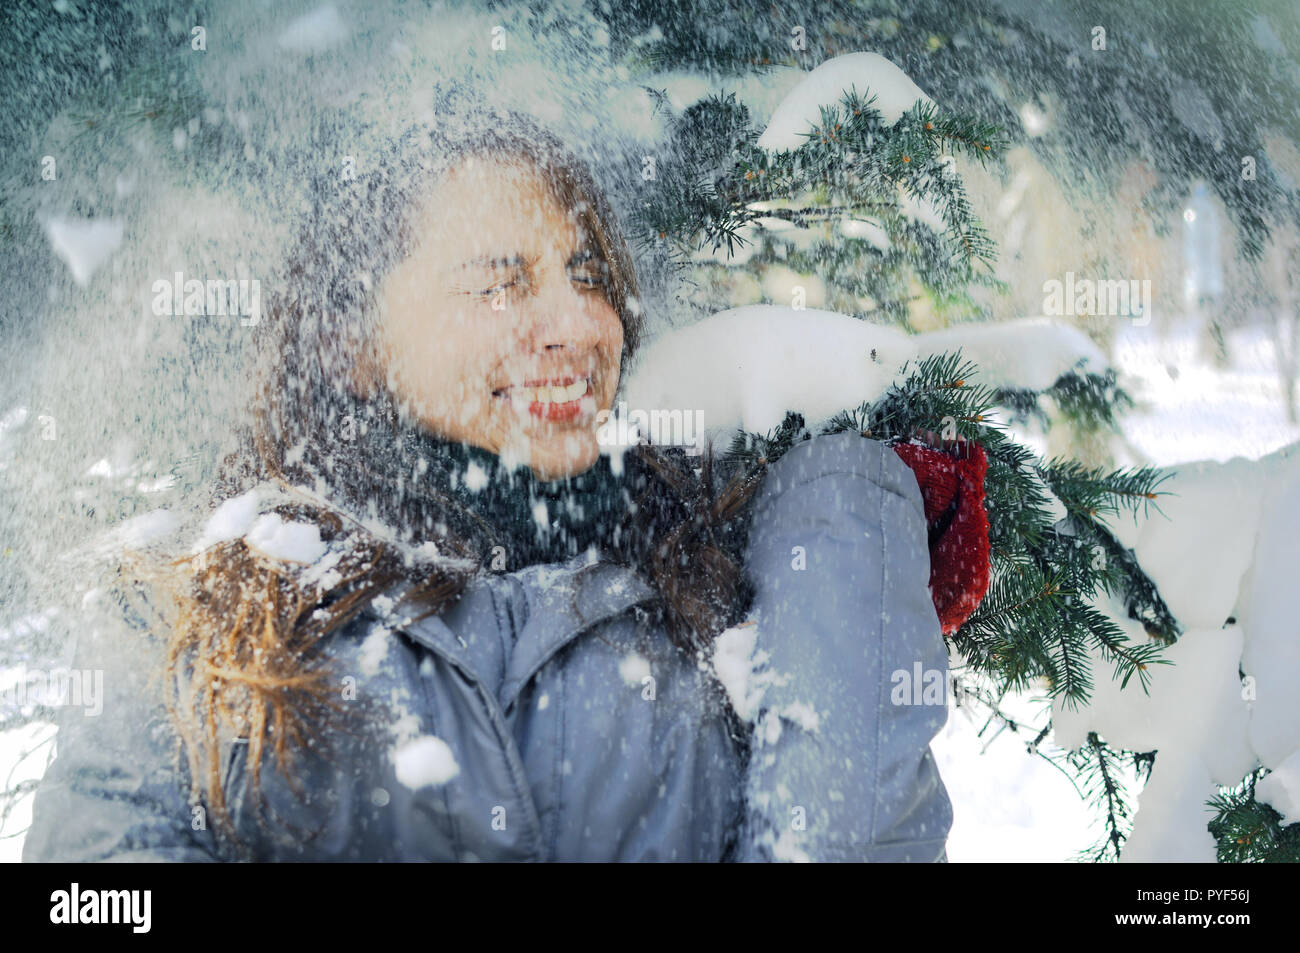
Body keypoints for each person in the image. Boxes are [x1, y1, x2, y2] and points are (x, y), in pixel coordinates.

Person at [22, 100, 953, 862]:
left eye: (589, 274)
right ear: (351, 345)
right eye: (497, 283)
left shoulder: (722, 579)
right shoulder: (199, 615)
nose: (577, 322)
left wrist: (849, 509)